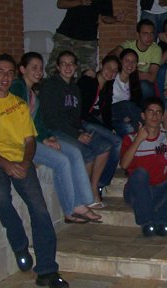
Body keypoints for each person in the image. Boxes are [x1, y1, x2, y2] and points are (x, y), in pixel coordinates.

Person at [0, 53, 69, 288]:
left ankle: (47, 270)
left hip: (20, 158)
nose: (5, 77)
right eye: (0, 72)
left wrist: (25, 162)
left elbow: (29, 140)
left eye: (10, 73)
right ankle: (19, 242)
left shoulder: (20, 105)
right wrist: (5, 164)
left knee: (39, 208)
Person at [11, 52, 101, 223]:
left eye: (40, 68)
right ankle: (70, 210)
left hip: (36, 137)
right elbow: (18, 121)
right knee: (62, 161)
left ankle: (83, 202)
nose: (39, 72)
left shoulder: (32, 93)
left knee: (74, 152)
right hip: (22, 142)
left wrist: (48, 137)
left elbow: (38, 121)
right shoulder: (17, 88)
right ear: (22, 69)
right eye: (34, 68)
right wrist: (43, 139)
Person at [39, 51, 112, 208]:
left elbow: (76, 117)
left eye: (71, 63)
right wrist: (76, 135)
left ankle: (92, 188)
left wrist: (80, 131)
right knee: (87, 153)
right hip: (54, 130)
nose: (68, 67)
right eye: (63, 64)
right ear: (58, 67)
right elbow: (52, 118)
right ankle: (83, 196)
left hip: (71, 130)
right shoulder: (51, 86)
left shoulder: (74, 88)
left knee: (104, 146)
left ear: (76, 66)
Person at [120, 97, 167, 237]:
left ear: (162, 117)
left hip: (159, 190)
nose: (154, 115)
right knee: (140, 173)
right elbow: (124, 165)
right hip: (137, 192)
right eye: (150, 111)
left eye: (158, 112)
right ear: (143, 115)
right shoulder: (131, 138)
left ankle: (163, 220)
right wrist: (138, 139)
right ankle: (146, 222)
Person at [47, 0, 123, 77]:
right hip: (67, 35)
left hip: (88, 39)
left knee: (88, 75)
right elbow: (60, 3)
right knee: (54, 71)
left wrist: (116, 19)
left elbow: (105, 17)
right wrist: (79, 2)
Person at [76, 54, 124, 197]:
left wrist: (109, 128)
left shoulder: (108, 87)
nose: (111, 72)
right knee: (118, 141)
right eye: (108, 68)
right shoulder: (89, 81)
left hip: (92, 122)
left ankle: (99, 183)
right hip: (83, 121)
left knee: (111, 142)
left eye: (115, 71)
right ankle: (101, 183)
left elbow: (107, 111)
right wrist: (104, 129)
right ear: (101, 66)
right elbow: (82, 111)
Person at [115, 19, 163, 99]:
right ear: (137, 35)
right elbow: (112, 55)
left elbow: (151, 77)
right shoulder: (128, 45)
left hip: (142, 83)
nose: (149, 37)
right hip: (126, 80)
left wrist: (128, 72)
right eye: (145, 33)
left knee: (144, 86)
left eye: (151, 33)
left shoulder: (156, 49)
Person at [107, 48, 144, 137]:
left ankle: (140, 132)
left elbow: (135, 104)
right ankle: (146, 128)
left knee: (128, 128)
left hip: (122, 115)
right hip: (109, 110)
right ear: (120, 61)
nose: (130, 64)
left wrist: (126, 116)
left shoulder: (134, 82)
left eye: (133, 62)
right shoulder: (113, 76)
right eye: (127, 61)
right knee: (126, 104)